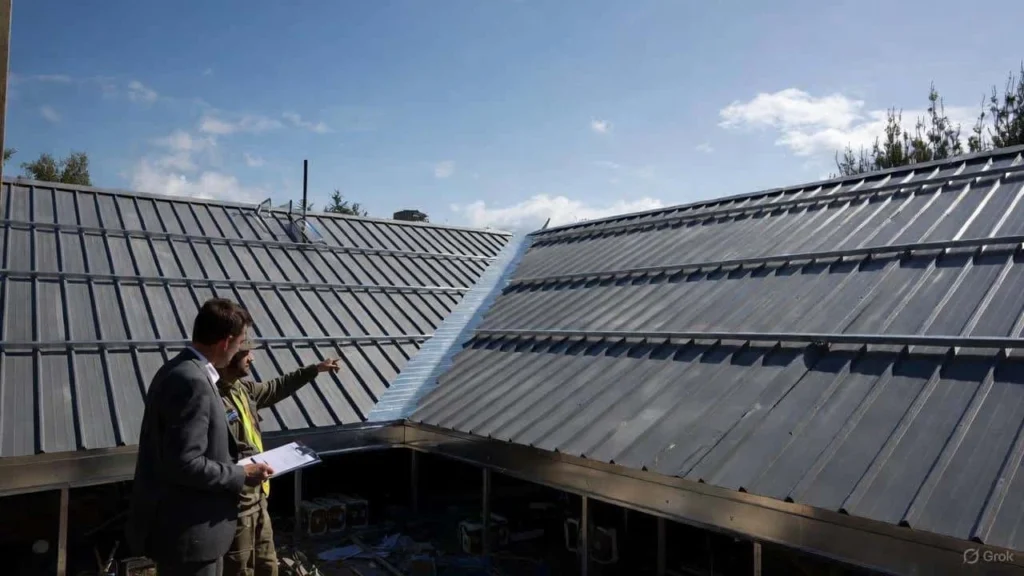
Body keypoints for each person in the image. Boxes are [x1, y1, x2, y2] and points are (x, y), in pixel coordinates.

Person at [127, 298, 275, 576]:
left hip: (188, 532)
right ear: (225, 342)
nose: (241, 351)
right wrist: (240, 473)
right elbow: (184, 463)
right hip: (191, 535)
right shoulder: (192, 382)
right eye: (240, 342)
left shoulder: (178, 370)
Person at [216, 340, 341, 576]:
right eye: (246, 353)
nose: (251, 358)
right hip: (234, 507)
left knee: (267, 564)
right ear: (229, 354)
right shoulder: (211, 397)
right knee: (239, 568)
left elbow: (277, 387)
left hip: (259, 497)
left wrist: (315, 369)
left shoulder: (243, 390)